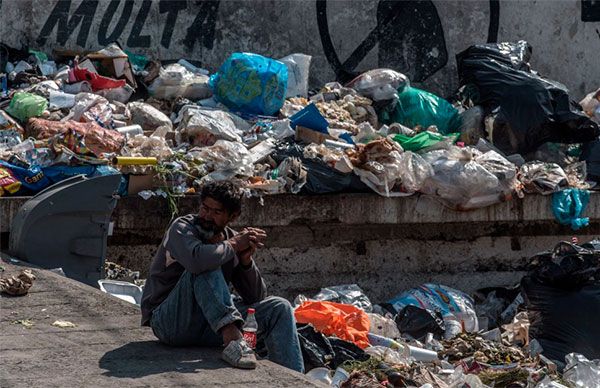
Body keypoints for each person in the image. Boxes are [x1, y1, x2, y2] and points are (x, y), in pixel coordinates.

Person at [140, 181, 303, 372]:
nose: (207, 216)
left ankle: (294, 378)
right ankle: (233, 340)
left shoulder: (231, 239)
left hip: (209, 326)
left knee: (279, 307)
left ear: (232, 216)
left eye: (216, 212)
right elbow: (197, 262)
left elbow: (256, 297)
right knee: (205, 264)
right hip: (170, 323)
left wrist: (245, 262)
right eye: (204, 208)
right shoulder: (182, 228)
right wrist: (233, 245)